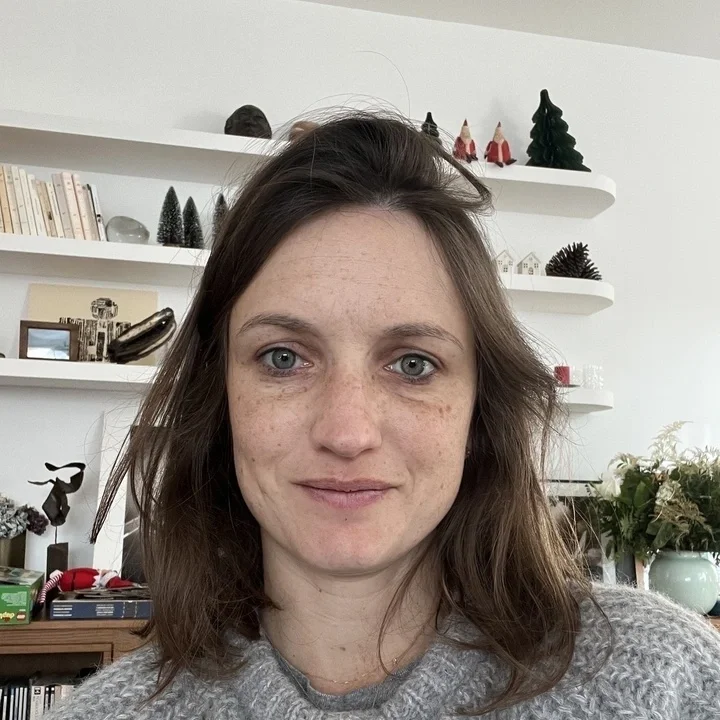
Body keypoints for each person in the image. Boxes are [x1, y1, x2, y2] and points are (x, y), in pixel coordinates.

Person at [48, 114, 720, 719]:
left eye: (413, 364)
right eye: (283, 358)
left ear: (479, 410)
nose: (347, 433)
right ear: (218, 397)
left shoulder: (666, 681)